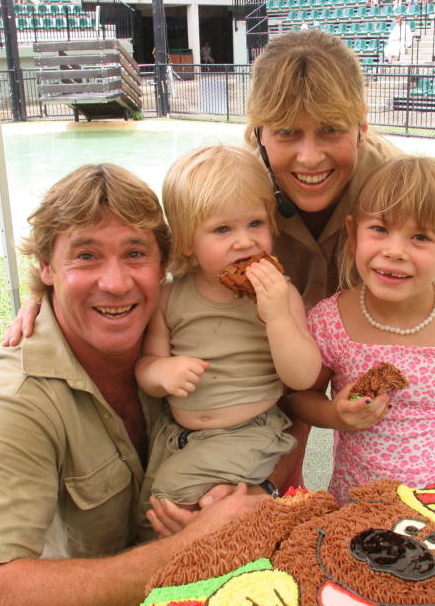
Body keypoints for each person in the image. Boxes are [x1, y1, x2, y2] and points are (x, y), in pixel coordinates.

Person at [3, 30, 405, 504]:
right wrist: (50, 293)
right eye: (287, 132)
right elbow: (156, 238)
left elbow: (420, 275)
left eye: (331, 130)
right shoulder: (238, 187)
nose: (310, 156)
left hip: (323, 349)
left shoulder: (394, 193)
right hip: (234, 400)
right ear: (259, 132)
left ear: (362, 123)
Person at [0, 165, 265, 606]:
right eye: (86, 256)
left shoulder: (185, 325)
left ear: (164, 265)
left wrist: (242, 495)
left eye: (135, 254)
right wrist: (189, 546)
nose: (115, 284)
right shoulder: (21, 397)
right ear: (47, 267)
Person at [287, 155, 435, 506]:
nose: (394, 251)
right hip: (355, 510)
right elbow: (299, 398)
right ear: (352, 234)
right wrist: (334, 415)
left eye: (420, 237)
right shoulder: (331, 322)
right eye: (379, 229)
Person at [136, 145, 320, 507]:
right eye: (222, 229)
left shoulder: (280, 295)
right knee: (148, 508)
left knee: (171, 497)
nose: (245, 240)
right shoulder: (169, 297)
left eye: (255, 223)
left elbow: (303, 377)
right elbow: (147, 364)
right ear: (187, 242)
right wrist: (162, 371)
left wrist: (278, 316)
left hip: (250, 433)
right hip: (179, 435)